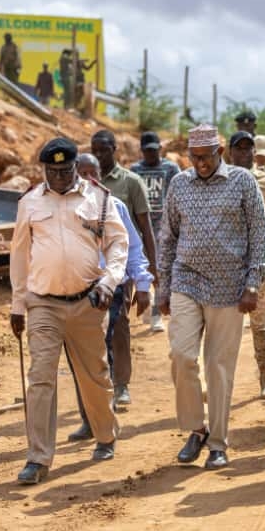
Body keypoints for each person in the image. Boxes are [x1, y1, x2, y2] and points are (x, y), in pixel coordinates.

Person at [9, 138, 128, 485]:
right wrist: (18, 303)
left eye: (65, 170)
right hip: (43, 303)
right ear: (43, 170)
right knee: (40, 378)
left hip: (87, 302)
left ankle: (105, 434)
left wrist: (110, 281)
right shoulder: (29, 202)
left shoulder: (99, 198)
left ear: (76, 167)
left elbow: (118, 244)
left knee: (94, 376)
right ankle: (38, 457)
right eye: (52, 171)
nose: (59, 177)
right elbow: (19, 256)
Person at [158, 125, 265, 470]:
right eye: (195, 158)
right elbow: (167, 238)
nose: (201, 164)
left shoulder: (242, 182)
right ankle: (196, 428)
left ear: (219, 153)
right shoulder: (179, 184)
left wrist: (253, 284)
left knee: (219, 368)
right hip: (186, 282)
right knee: (182, 356)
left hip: (230, 289)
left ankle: (218, 442)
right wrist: (163, 286)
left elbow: (259, 236)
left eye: (206, 157)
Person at [67, 153, 153, 442]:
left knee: (104, 350)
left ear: (101, 176)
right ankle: (88, 420)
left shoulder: (114, 206)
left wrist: (142, 284)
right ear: (75, 174)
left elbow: (134, 246)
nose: (90, 179)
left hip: (111, 289)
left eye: (95, 173)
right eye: (84, 173)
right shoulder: (66, 209)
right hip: (75, 291)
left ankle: (105, 417)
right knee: (80, 358)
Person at [92, 129, 158, 405]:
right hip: (90, 269)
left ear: (115, 150)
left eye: (104, 150)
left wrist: (151, 271)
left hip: (122, 266)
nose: (99, 155)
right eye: (94, 150)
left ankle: (121, 384)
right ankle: (99, 384)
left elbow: (144, 227)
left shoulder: (130, 183)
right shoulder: (82, 180)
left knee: (119, 326)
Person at [227, 131, 265, 398]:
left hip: (258, 260)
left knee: (259, 322)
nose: (244, 154)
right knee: (222, 325)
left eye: (249, 149)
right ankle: (217, 381)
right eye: (239, 149)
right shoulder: (217, 181)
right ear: (229, 152)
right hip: (227, 262)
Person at [130, 131, 180, 333]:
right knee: (142, 266)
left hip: (164, 228)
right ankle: (146, 298)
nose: (151, 154)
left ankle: (156, 314)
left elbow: (178, 195)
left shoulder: (170, 168)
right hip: (140, 228)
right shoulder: (135, 170)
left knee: (160, 268)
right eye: (147, 151)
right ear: (142, 151)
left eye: (154, 150)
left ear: (161, 149)